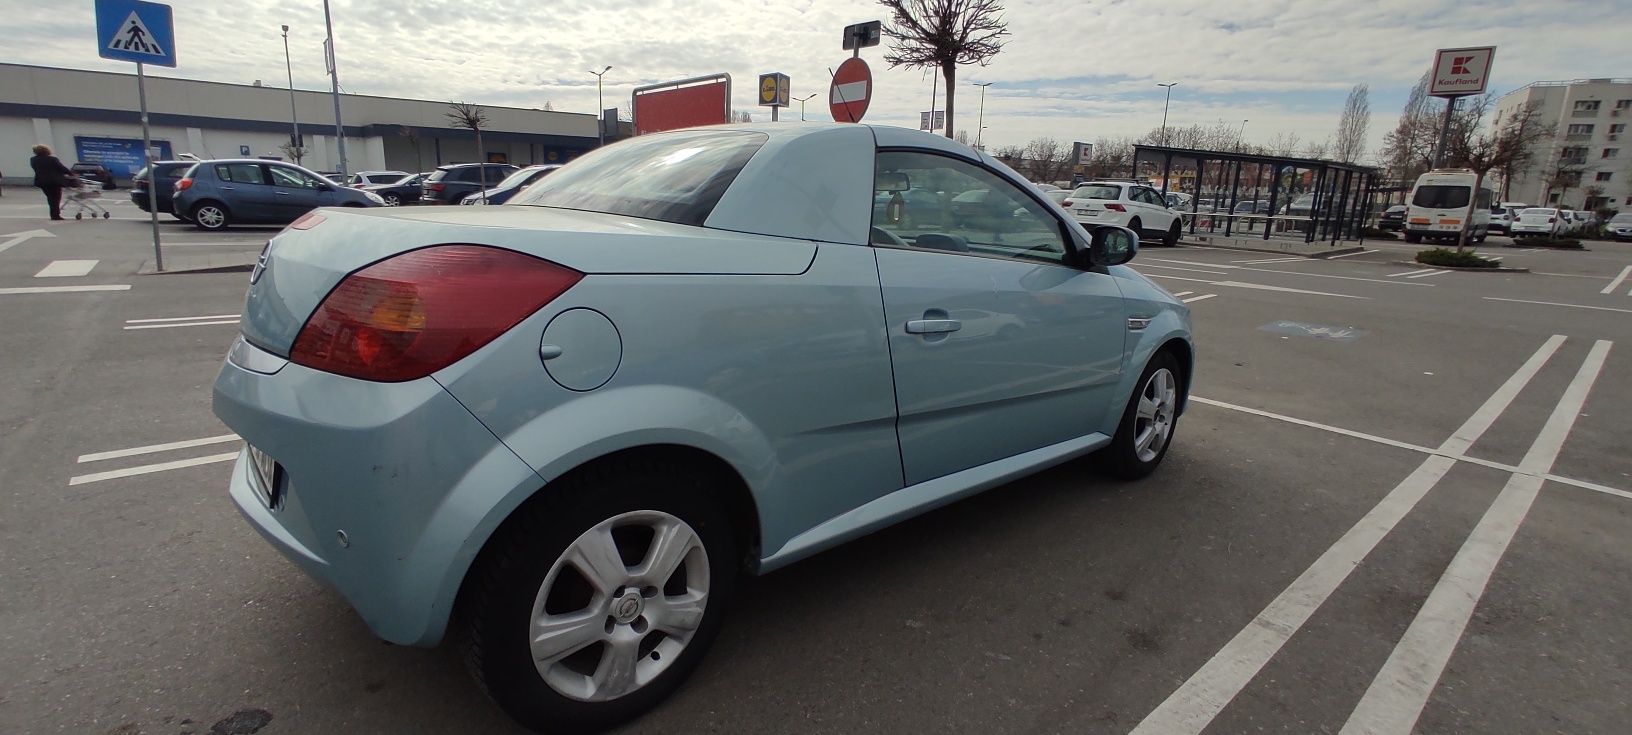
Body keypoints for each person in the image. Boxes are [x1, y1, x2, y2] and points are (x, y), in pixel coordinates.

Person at [30, 144, 74, 221]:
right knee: (56, 198)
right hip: (54, 182)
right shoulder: (52, 159)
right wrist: (71, 174)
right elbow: (62, 168)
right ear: (46, 150)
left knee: (50, 198)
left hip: (41, 182)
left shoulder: (33, 159)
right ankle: (55, 215)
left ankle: (54, 214)